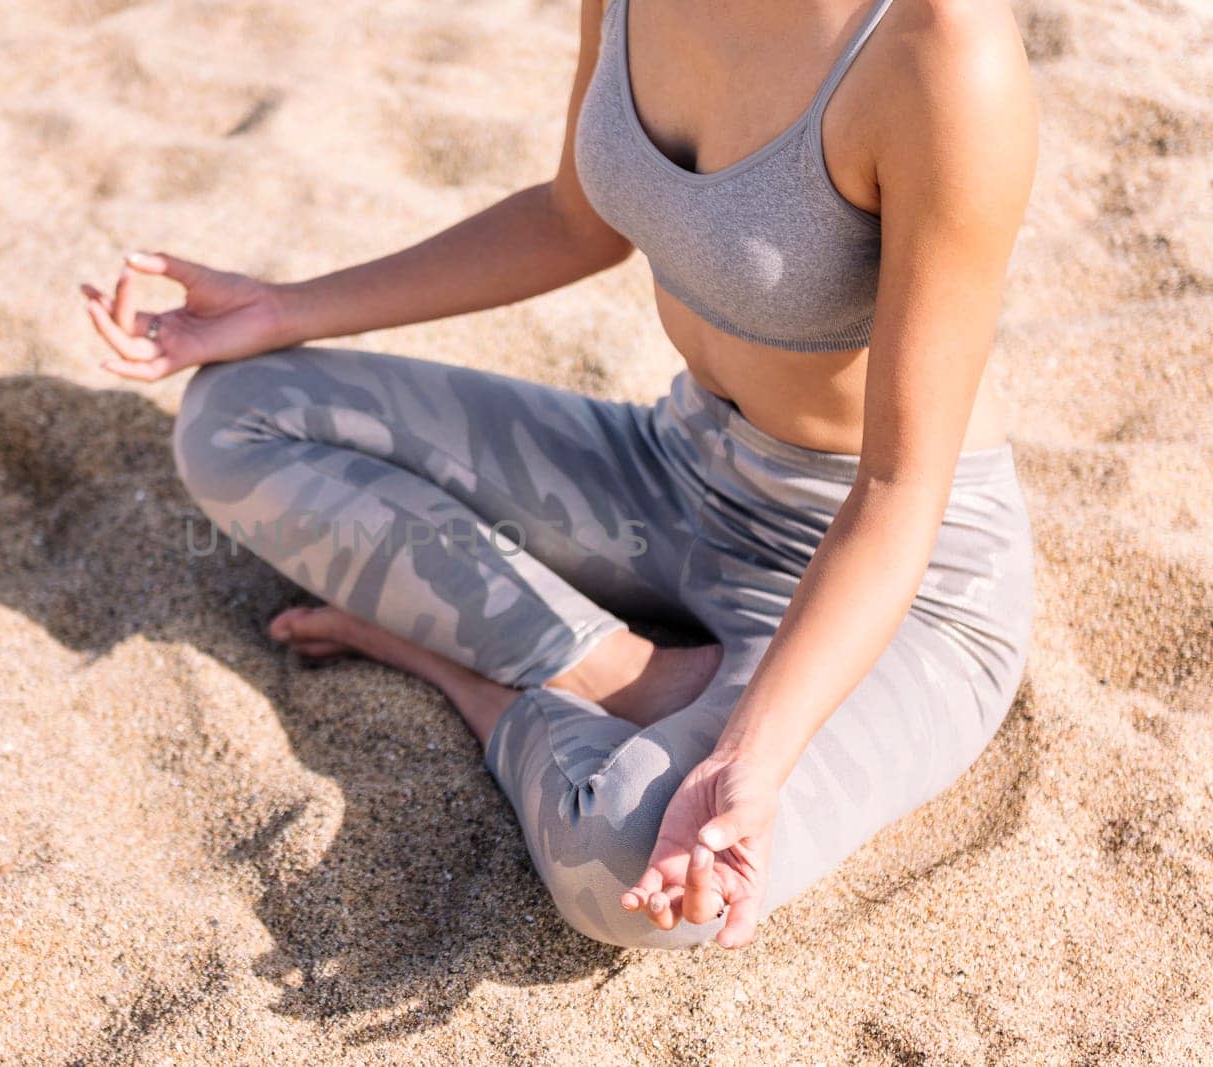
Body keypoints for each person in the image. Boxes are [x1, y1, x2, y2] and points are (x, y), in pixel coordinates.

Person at [81, 0, 1038, 950]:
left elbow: (902, 488)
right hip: (678, 466)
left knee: (633, 864)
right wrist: (280, 309)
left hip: (898, 572)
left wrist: (749, 754)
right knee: (233, 417)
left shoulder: (940, 52)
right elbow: (571, 220)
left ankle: (465, 671)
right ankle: (615, 671)